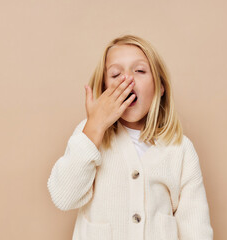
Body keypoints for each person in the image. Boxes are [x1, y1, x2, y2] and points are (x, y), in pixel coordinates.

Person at [47, 34, 214, 240]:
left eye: (140, 70)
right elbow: (64, 197)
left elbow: (195, 228)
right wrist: (94, 127)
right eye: (116, 75)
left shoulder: (180, 149)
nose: (127, 80)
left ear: (160, 87)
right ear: (104, 89)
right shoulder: (89, 135)